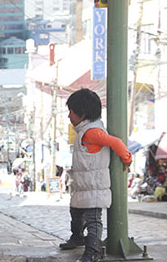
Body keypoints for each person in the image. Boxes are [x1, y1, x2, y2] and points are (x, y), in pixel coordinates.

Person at [58, 89, 132, 262]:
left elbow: (116, 142)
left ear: (82, 113)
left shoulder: (92, 132)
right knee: (75, 213)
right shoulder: (84, 131)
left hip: (94, 187)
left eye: (71, 111)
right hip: (84, 186)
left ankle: (91, 252)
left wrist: (127, 158)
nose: (69, 116)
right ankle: (77, 238)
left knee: (93, 221)